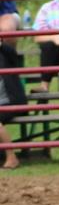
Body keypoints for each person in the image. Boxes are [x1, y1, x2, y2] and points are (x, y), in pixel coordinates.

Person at [0, 40, 27, 169]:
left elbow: (12, 53)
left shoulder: (5, 53)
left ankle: (11, 157)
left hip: (11, 102)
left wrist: (1, 44)